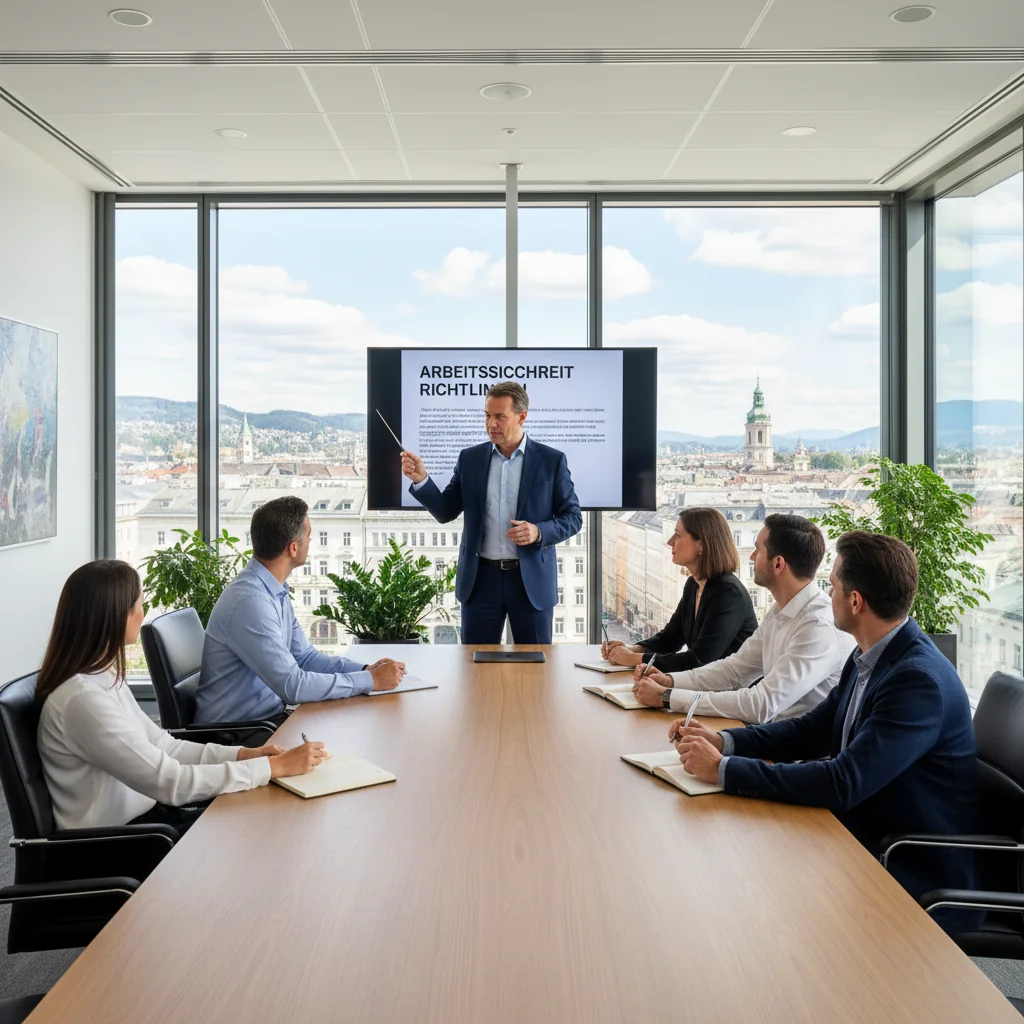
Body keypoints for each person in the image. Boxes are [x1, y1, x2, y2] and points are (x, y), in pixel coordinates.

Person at [670, 531, 979, 926]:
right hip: (862, 835)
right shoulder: (870, 654)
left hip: (909, 863)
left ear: (855, 601)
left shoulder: (916, 682)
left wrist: (723, 770)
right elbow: (812, 730)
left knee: (753, 898)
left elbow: (843, 782)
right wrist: (725, 741)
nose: (825, 592)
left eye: (831, 584)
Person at [36, 560, 327, 833]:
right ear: (116, 614)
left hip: (151, 822)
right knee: (257, 828)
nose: (142, 610)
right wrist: (271, 768)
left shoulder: (102, 677)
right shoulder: (83, 701)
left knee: (261, 818)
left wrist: (247, 755)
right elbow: (169, 781)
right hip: (120, 843)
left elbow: (165, 747)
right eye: (139, 602)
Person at [401, 381, 582, 644]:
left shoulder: (551, 461)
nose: (491, 424)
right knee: (475, 667)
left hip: (530, 582)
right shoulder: (470, 459)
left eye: (499, 416)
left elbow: (573, 517)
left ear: (522, 416)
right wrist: (421, 479)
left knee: (535, 671)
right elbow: (445, 511)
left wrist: (538, 531)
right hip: (480, 581)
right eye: (487, 415)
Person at [197, 496, 404, 724]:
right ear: (293, 548)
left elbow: (304, 658)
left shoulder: (273, 590)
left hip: (266, 721)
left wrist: (367, 670)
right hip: (239, 733)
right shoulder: (251, 602)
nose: (311, 540)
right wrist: (369, 680)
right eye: (308, 535)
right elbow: (293, 686)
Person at [632, 514, 853, 723]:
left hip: (796, 755)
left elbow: (762, 704)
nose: (752, 556)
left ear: (778, 564)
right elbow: (735, 671)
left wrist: (669, 696)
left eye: (758, 550)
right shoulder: (780, 612)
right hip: (770, 739)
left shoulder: (817, 626)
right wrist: (670, 681)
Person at [601, 507, 757, 673]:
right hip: (709, 687)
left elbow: (699, 659)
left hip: (732, 692)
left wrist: (634, 659)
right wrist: (630, 649)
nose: (670, 541)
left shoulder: (728, 592)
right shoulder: (694, 584)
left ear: (701, 545)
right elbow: (670, 639)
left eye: (678, 535)